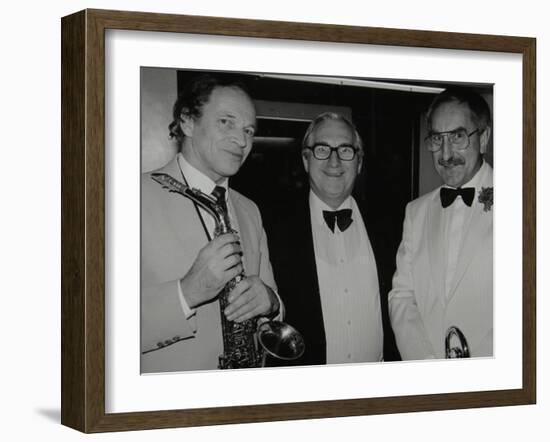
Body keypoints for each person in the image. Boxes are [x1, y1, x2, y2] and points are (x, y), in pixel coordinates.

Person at [140, 75, 282, 373]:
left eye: (248, 130)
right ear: (188, 122)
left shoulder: (250, 210)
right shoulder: (127, 198)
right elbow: (90, 327)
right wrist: (188, 292)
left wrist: (270, 302)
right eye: (226, 122)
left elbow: (271, 301)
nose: (242, 140)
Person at [265, 112, 383, 366]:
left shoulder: (390, 225)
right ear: (306, 160)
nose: (334, 161)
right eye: (322, 149)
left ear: (359, 162)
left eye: (345, 150)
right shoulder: (272, 229)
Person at [388, 87, 493, 360]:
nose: (446, 154)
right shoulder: (416, 212)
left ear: (483, 139)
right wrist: (426, 364)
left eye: (458, 136)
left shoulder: (528, 204)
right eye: (437, 138)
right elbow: (402, 297)